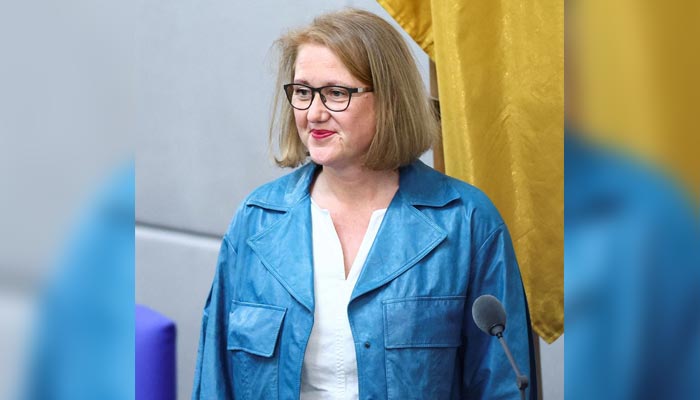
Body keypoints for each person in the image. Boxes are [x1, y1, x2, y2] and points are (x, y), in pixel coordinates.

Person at [192, 8, 534, 399]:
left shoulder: (467, 221)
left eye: (336, 93)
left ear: (389, 100)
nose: (314, 113)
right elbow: (214, 382)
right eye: (303, 92)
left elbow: (504, 386)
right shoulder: (256, 222)